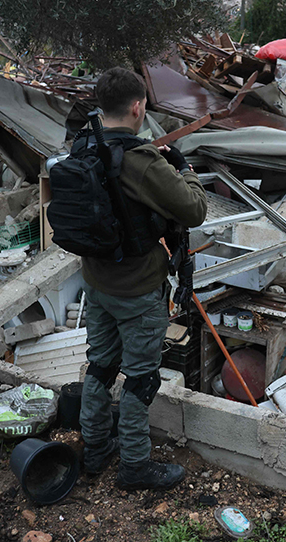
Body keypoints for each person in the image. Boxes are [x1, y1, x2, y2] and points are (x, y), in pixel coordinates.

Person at [79, 67, 207, 491]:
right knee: (140, 379)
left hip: (97, 283)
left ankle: (95, 448)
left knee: (100, 366)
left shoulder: (83, 147)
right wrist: (184, 167)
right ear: (137, 107)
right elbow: (194, 209)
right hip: (137, 289)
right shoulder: (140, 160)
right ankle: (134, 465)